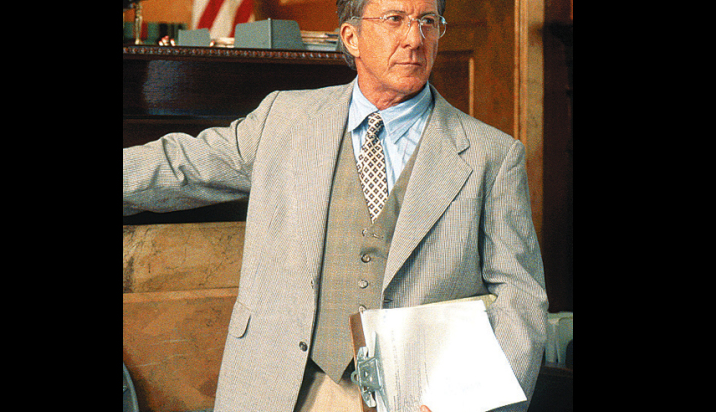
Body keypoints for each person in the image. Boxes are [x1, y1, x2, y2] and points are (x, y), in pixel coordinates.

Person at [122, 0, 548, 410]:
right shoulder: (283, 120)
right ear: (351, 37)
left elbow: (521, 299)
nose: (415, 39)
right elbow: (182, 165)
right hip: (282, 389)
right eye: (395, 19)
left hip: (419, 399)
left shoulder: (491, 155)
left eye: (428, 21)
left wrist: (471, 404)